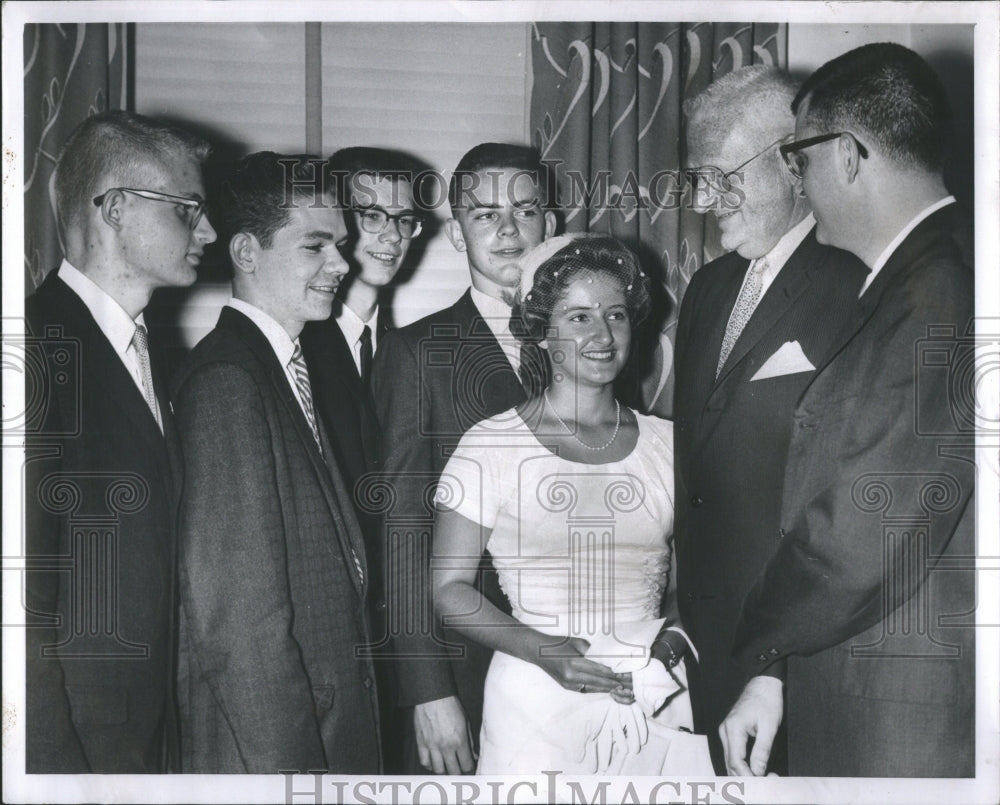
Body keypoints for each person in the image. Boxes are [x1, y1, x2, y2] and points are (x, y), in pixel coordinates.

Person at [723, 42, 975, 777]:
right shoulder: (920, 282)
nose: (796, 187)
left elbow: (859, 536)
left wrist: (761, 643)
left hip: (896, 723)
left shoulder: (936, 300)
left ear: (849, 156)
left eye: (797, 160)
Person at [432, 235, 713, 774]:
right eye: (579, 317)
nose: (604, 334)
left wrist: (672, 641)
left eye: (616, 315)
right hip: (534, 701)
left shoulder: (670, 444)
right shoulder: (491, 444)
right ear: (540, 331)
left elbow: (691, 582)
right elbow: (449, 591)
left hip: (656, 691)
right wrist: (545, 651)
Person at [672, 66, 867, 774]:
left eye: (722, 176)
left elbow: (846, 504)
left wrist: (777, 662)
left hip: (798, 662)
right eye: (695, 177)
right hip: (706, 645)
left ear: (792, 163)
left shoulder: (859, 281)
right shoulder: (706, 288)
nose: (702, 200)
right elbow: (693, 469)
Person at [172, 152, 380, 773]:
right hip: (279, 754)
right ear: (245, 252)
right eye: (315, 246)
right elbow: (240, 627)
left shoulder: (283, 366)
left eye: (340, 245)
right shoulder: (227, 380)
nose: (342, 264)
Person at [23, 110, 216, 773]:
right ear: (117, 208)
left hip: (146, 744)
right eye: (188, 209)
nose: (209, 231)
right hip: (75, 753)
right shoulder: (33, 354)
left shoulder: (145, 349)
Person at [371, 143, 556, 774]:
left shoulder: (591, 342)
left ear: (549, 225)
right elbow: (400, 534)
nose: (508, 230)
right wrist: (427, 687)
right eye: (484, 215)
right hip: (466, 661)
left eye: (526, 211)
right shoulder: (416, 353)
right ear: (456, 233)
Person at [300, 146, 425, 771]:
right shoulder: (300, 348)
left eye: (404, 220)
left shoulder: (396, 344)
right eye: (372, 216)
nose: (391, 236)